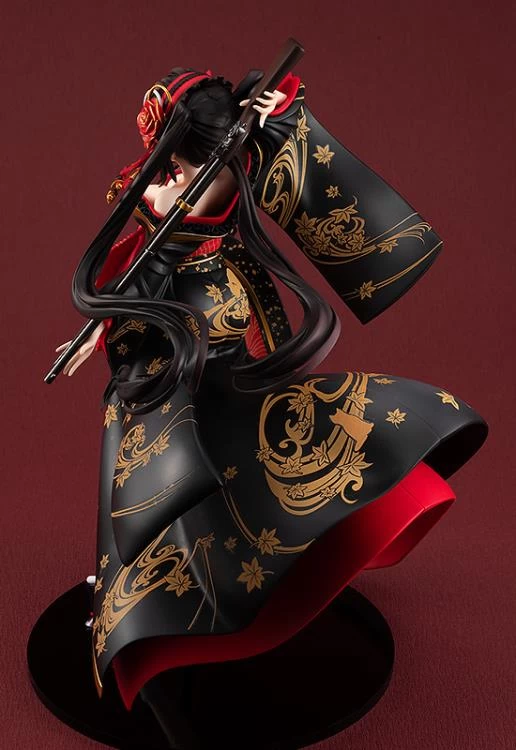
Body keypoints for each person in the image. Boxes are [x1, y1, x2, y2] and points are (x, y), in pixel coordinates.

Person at [56, 66, 487, 746]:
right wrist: (106, 326)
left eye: (185, 168)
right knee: (163, 509)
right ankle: (164, 630)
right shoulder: (155, 210)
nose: (167, 182)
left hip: (229, 354)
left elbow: (265, 149)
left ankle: (270, 578)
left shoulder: (233, 189)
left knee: (275, 456)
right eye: (165, 166)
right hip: (168, 376)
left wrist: (270, 115)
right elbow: (129, 270)